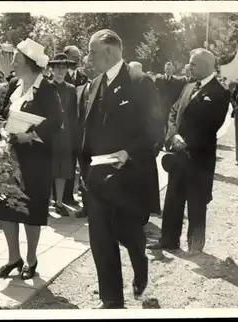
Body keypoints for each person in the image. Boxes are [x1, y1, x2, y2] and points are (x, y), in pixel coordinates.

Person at [83, 29, 163, 309]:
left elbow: (155, 130)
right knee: (101, 239)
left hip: (128, 176)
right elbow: (88, 129)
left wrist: (128, 152)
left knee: (128, 232)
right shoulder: (93, 85)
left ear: (108, 51)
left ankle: (139, 262)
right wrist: (83, 170)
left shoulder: (139, 82)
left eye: (92, 52)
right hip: (97, 178)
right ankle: (112, 300)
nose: (88, 57)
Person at [0, 38, 63, 280]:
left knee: (31, 208)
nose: (12, 63)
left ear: (30, 64)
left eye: (16, 59)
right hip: (10, 157)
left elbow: (56, 123)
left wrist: (30, 136)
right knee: (6, 206)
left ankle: (31, 259)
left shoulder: (48, 90)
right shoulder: (14, 84)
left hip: (35, 159)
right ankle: (13, 258)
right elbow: (4, 112)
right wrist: (2, 122)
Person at [148, 49, 230, 254]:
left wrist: (186, 141)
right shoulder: (188, 86)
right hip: (178, 155)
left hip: (199, 158)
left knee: (197, 201)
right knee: (173, 199)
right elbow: (174, 111)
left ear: (205, 65)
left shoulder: (220, 92)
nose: (189, 67)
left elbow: (212, 125)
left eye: (193, 64)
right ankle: (168, 240)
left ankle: (195, 244)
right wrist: (173, 136)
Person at [48, 53, 78, 217]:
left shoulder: (71, 89)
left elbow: (74, 113)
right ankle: (45, 203)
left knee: (62, 168)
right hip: (49, 134)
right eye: (57, 68)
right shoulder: (46, 86)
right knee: (47, 167)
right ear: (51, 70)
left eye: (63, 68)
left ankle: (59, 202)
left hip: (65, 134)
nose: (60, 71)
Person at [62, 45, 88, 207]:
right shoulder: (60, 76)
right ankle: (63, 195)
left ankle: (74, 193)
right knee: (65, 162)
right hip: (65, 127)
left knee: (80, 162)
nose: (78, 59)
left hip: (81, 128)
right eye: (74, 56)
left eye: (79, 56)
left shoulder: (83, 77)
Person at [75, 55, 100, 219]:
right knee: (84, 173)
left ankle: (97, 207)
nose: (90, 66)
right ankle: (86, 207)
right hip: (81, 140)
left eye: (93, 63)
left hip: (98, 141)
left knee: (97, 174)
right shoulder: (79, 89)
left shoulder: (104, 87)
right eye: (87, 64)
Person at [155, 62, 187, 132]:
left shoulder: (177, 81)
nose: (168, 70)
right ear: (164, 69)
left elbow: (178, 94)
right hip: (161, 106)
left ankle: (168, 141)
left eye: (169, 69)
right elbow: (155, 92)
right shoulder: (159, 79)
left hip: (171, 107)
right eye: (167, 69)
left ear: (172, 70)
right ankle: (160, 141)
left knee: (169, 125)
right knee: (160, 125)